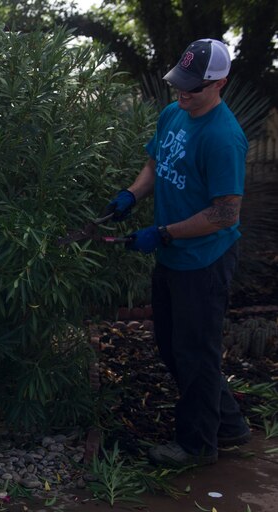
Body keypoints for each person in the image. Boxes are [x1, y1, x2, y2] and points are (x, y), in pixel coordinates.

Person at [104, 38, 250, 468]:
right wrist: (130, 196)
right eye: (179, 84)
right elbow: (154, 164)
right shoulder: (175, 113)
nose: (183, 93)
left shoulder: (224, 138)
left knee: (195, 353)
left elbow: (225, 213)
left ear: (220, 82)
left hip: (204, 261)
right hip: (173, 257)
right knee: (172, 347)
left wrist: (164, 233)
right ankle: (230, 424)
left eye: (194, 87)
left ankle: (197, 445)